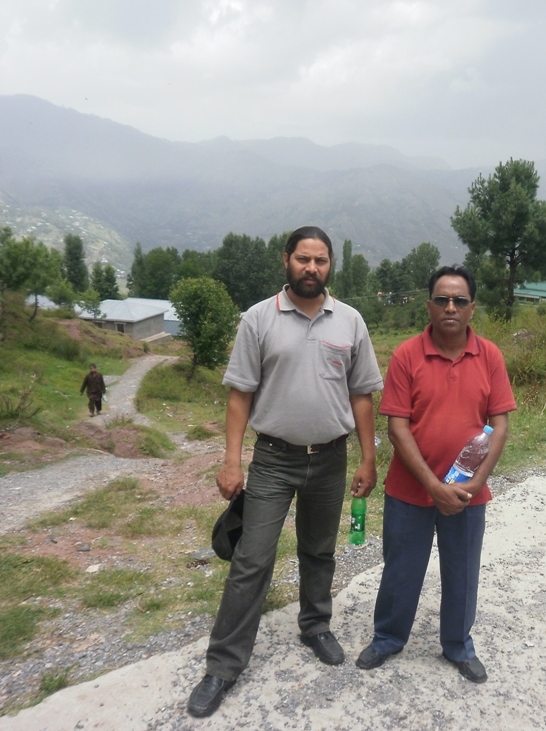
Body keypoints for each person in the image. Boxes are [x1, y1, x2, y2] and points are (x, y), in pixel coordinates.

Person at [187, 226, 384, 718]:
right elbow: (240, 394)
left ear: (330, 266)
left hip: (332, 458)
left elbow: (362, 394)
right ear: (287, 261)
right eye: (303, 259)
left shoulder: (351, 322)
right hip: (274, 458)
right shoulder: (258, 319)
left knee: (319, 550)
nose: (311, 268)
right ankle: (223, 666)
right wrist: (232, 460)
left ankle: (316, 625)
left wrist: (369, 456)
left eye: (320, 261)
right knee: (252, 559)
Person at [356, 265, 516, 684]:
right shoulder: (407, 355)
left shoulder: (490, 356)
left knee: (462, 571)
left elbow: (499, 424)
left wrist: (477, 483)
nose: (450, 307)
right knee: (400, 569)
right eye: (442, 300)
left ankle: (458, 646)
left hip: (467, 493)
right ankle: (388, 638)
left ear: (472, 309)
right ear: (429, 306)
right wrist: (431, 484)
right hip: (410, 490)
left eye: (459, 301)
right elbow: (397, 426)